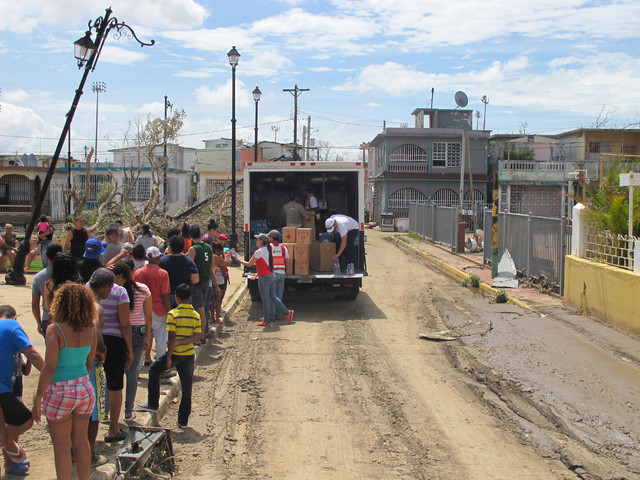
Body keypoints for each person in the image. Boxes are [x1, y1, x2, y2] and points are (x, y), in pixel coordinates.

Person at [31, 284, 97, 480]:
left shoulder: (55, 330)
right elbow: (89, 363)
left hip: (60, 390)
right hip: (84, 387)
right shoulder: (91, 328)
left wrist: (38, 398)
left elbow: (49, 367)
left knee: (61, 447)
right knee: (81, 441)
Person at [136, 283, 200, 429]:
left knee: (153, 370)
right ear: (189, 298)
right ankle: (183, 421)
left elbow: (171, 338)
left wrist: (170, 357)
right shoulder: (195, 315)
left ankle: (152, 404)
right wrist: (183, 341)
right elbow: (197, 336)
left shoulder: (173, 314)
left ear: (176, 298)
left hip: (175, 353)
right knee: (187, 388)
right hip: (188, 354)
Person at [0, 305, 44, 476]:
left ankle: (11, 462)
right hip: (3, 389)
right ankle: (7, 443)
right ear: (15, 317)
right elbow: (32, 354)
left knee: (6, 426)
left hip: (6, 388)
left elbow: (26, 365)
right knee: (26, 420)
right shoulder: (12, 326)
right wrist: (53, 377)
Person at [112, 262, 151, 423]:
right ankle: (128, 411)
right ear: (133, 271)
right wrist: (147, 337)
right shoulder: (143, 290)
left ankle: (107, 411)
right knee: (133, 373)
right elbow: (148, 317)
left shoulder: (113, 292)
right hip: (138, 330)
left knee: (114, 372)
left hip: (119, 331)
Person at [99, 264, 133, 443]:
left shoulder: (89, 288)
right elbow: (125, 323)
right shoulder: (120, 292)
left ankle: (96, 420)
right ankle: (113, 429)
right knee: (115, 385)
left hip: (94, 340)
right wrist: (130, 348)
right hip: (115, 341)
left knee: (95, 382)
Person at [235, 234, 292, 327]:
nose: (256, 241)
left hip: (264, 278)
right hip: (271, 276)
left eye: (257, 239)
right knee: (273, 297)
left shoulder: (259, 251)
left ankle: (267, 320)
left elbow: (249, 264)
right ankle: (286, 312)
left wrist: (238, 259)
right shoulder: (269, 250)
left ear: (261, 241)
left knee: (265, 300)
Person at [86, 268, 112, 467]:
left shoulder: (79, 300)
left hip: (76, 360)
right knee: (94, 411)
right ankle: (90, 451)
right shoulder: (96, 307)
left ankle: (74, 448)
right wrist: (102, 348)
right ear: (104, 287)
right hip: (93, 361)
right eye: (110, 288)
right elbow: (96, 329)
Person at [135, 247, 171, 365]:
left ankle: (137, 367)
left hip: (141, 311)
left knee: (142, 339)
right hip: (158, 310)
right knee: (160, 340)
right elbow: (165, 295)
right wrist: (169, 311)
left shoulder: (138, 273)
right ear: (156, 258)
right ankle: (160, 366)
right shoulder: (163, 273)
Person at [31, 242, 63, 337]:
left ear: (46, 255)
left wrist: (39, 322)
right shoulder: (68, 273)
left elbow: (34, 305)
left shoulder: (39, 277)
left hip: (47, 318)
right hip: (65, 319)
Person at [187, 225, 212, 343]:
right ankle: (202, 334)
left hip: (196, 282)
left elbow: (189, 265)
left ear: (191, 236)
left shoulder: (193, 249)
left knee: (199, 309)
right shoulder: (208, 247)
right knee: (203, 309)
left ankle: (200, 336)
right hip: (206, 279)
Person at [159, 235, 199, 308]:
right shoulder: (189, 262)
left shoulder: (162, 262)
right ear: (183, 247)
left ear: (170, 247)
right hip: (185, 296)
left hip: (168, 295)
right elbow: (195, 280)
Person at [267, 229, 294, 323]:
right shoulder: (283, 247)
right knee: (279, 295)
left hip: (273, 274)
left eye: (268, 237)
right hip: (282, 274)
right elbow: (287, 259)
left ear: (271, 238)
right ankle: (278, 314)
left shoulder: (268, 247)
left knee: (272, 296)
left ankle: (272, 315)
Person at [210, 243, 232, 326]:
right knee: (218, 301)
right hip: (220, 282)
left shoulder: (211, 258)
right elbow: (224, 270)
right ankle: (217, 318)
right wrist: (229, 258)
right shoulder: (218, 259)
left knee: (212, 301)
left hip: (212, 281)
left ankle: (212, 317)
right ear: (217, 250)